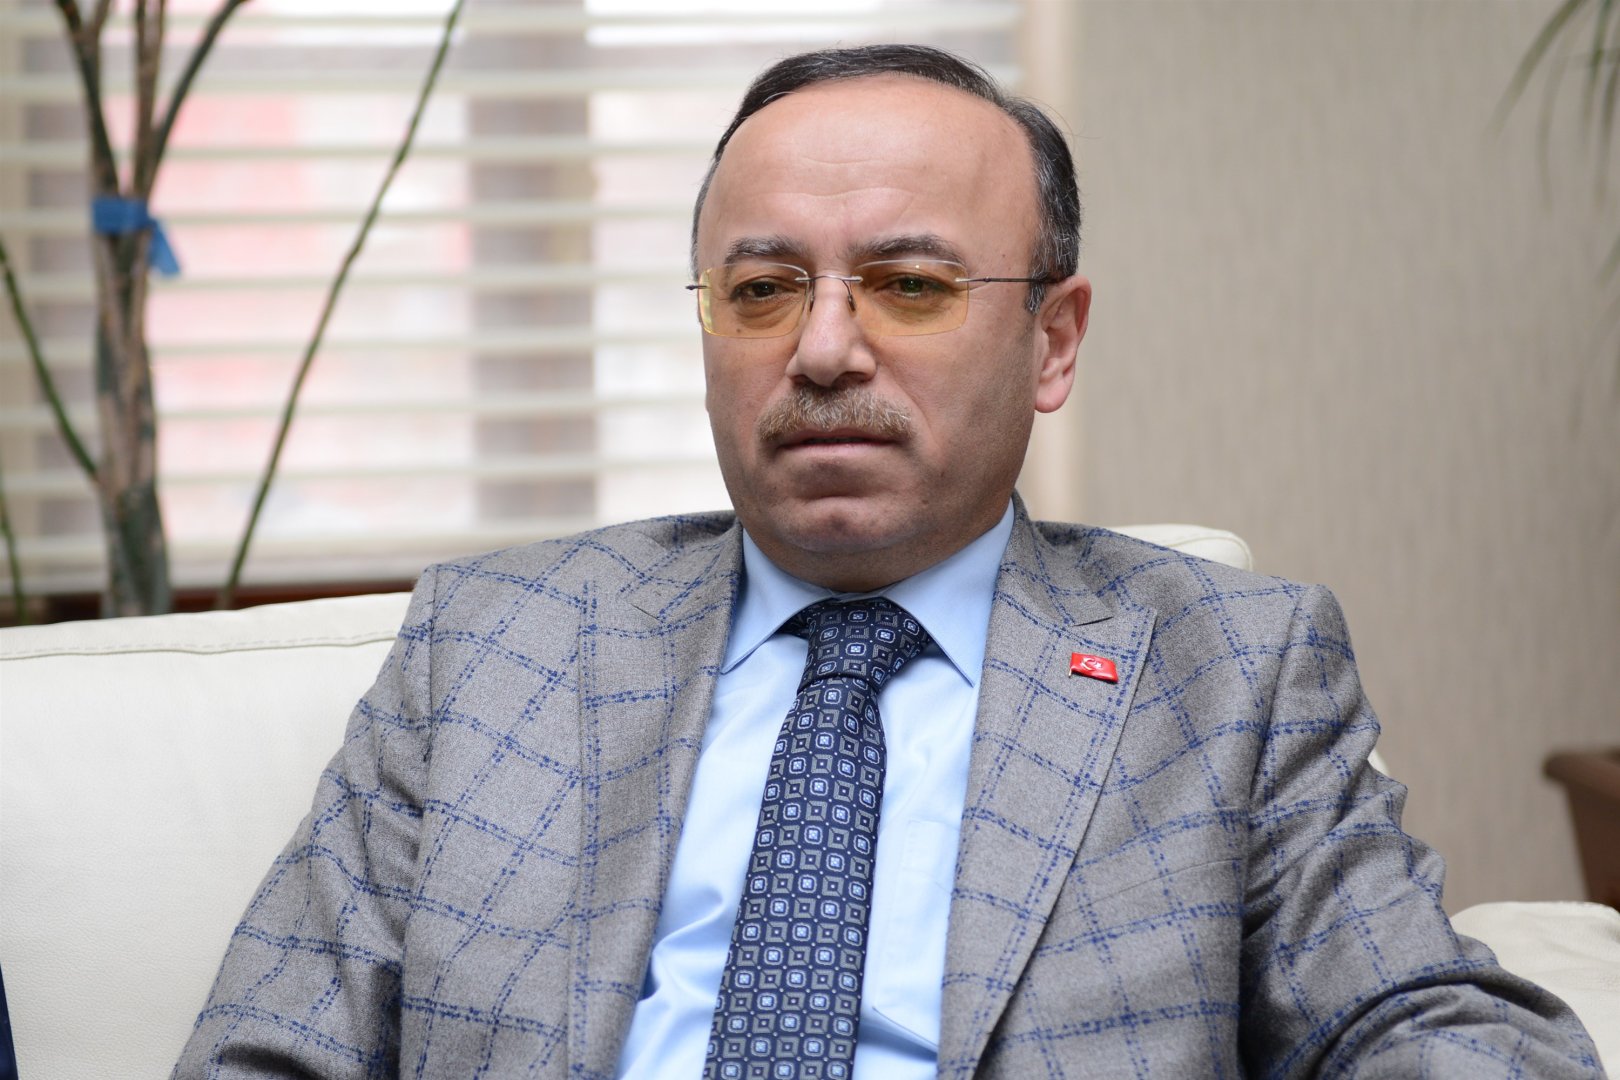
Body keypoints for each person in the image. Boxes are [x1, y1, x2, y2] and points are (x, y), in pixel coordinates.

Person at [175, 44, 1603, 1080]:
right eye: (762, 288)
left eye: (911, 286)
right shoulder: (494, 645)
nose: (823, 349)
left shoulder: (1227, 671)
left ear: (1053, 341)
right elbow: (266, 1049)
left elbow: (1431, 1027)